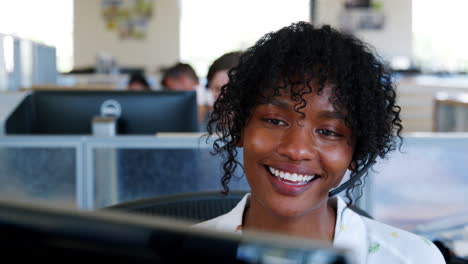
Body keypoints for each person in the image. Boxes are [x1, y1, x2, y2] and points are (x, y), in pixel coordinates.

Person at [197, 22, 445, 263]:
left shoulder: (413, 258)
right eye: (275, 121)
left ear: (356, 153)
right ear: (241, 128)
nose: (297, 150)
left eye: (329, 132)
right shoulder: (177, 253)